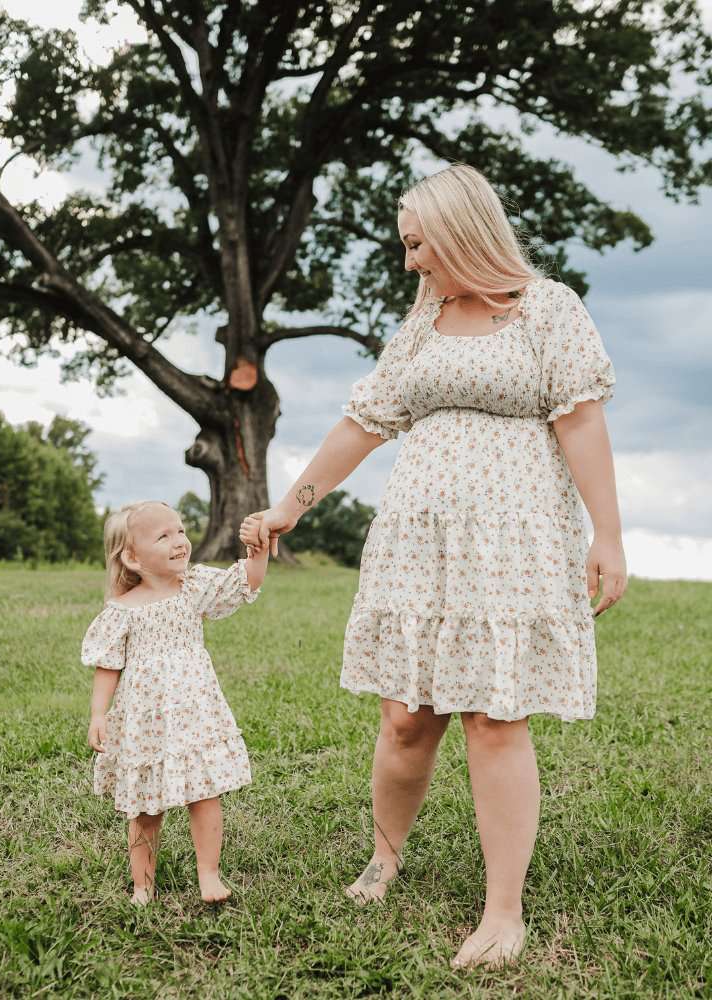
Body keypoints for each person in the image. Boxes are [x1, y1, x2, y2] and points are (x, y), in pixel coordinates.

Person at [240, 164, 627, 969]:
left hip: (512, 546)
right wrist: (292, 505)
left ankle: (502, 912)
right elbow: (366, 419)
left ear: (458, 230)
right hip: (418, 542)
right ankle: (384, 859)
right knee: (407, 716)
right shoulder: (424, 319)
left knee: (494, 720)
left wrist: (609, 536)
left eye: (417, 243)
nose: (411, 260)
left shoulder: (547, 309)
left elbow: (582, 423)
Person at [83, 500, 268, 905]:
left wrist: (259, 552)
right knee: (145, 809)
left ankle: (209, 875)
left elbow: (245, 583)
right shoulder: (123, 611)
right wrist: (99, 714)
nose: (179, 540)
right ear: (132, 557)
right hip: (145, 721)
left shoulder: (194, 589)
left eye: (181, 530)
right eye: (163, 536)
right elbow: (107, 666)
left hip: (194, 714)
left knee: (204, 794)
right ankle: (142, 885)